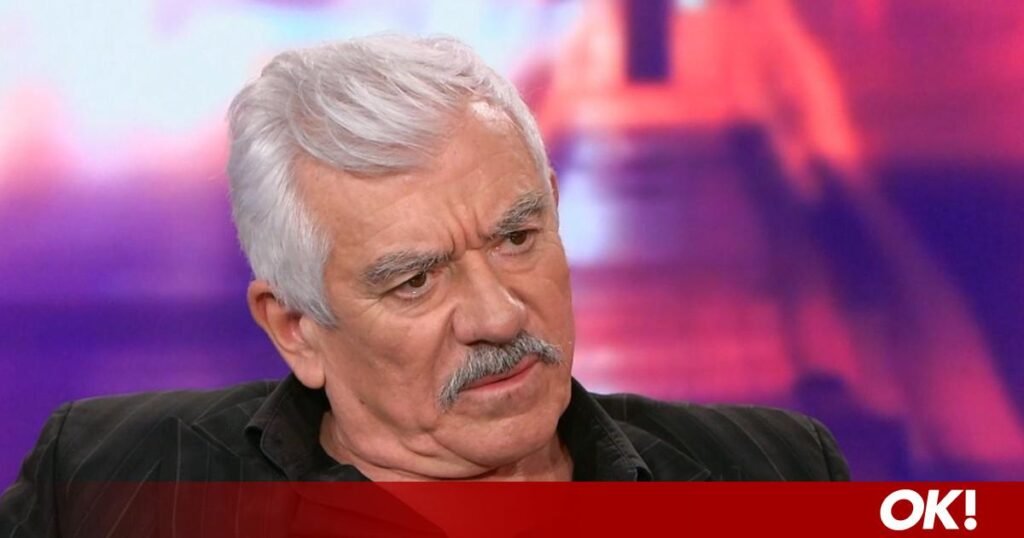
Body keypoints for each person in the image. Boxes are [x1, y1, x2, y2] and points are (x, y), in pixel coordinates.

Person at [0, 34, 848, 536]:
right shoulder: (107, 480)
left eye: (517, 238)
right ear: (294, 327)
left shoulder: (775, 474)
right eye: (413, 281)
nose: (498, 315)